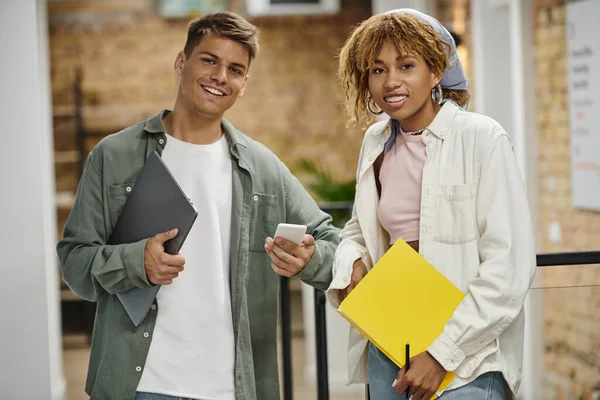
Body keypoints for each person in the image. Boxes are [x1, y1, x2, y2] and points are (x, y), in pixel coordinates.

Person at [57, 11, 339, 400]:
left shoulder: (262, 168)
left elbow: (330, 241)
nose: (221, 76)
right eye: (209, 60)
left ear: (244, 84)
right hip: (140, 385)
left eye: (235, 69)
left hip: (232, 387)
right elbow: (74, 262)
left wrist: (309, 260)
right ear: (181, 62)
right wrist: (135, 262)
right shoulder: (115, 156)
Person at [327, 9, 536, 400]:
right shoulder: (376, 142)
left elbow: (510, 266)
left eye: (406, 65)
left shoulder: (481, 138)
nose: (391, 82)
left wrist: (442, 354)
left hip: (467, 358)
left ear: (436, 71)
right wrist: (350, 259)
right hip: (390, 340)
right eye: (377, 70)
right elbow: (361, 229)